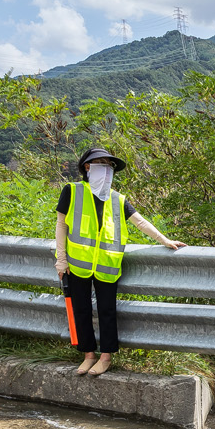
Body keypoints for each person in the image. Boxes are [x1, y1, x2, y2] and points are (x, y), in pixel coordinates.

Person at [53, 147, 184, 375]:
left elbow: (141, 222)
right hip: (77, 264)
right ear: (87, 167)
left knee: (107, 311)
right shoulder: (72, 191)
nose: (107, 169)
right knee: (81, 310)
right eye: (102, 164)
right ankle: (88, 355)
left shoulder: (117, 199)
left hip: (107, 266)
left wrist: (165, 240)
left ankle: (105, 358)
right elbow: (61, 225)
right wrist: (61, 260)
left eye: (110, 165)